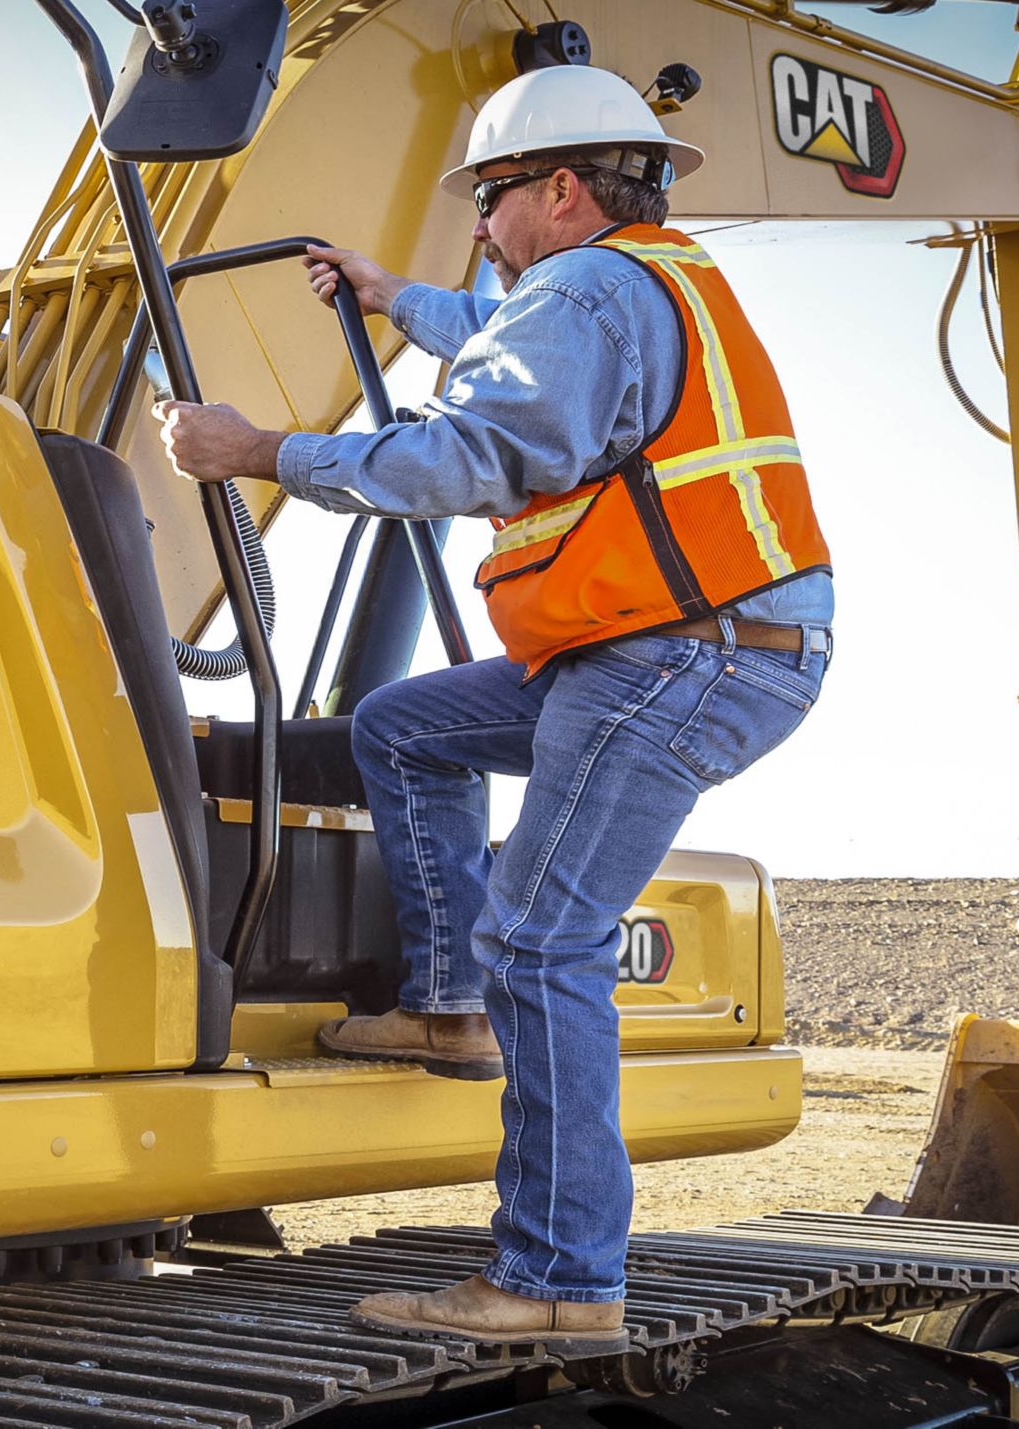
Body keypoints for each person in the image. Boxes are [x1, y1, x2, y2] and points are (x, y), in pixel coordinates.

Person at [155, 62, 835, 1355]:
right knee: (405, 725)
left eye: (493, 196)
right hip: (685, 645)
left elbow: (472, 450)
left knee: (547, 936)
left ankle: (560, 1277)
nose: (480, 223)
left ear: (563, 190)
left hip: (671, 657)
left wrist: (259, 453)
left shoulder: (580, 289)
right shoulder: (641, 280)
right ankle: (447, 999)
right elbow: (509, 342)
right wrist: (393, 300)